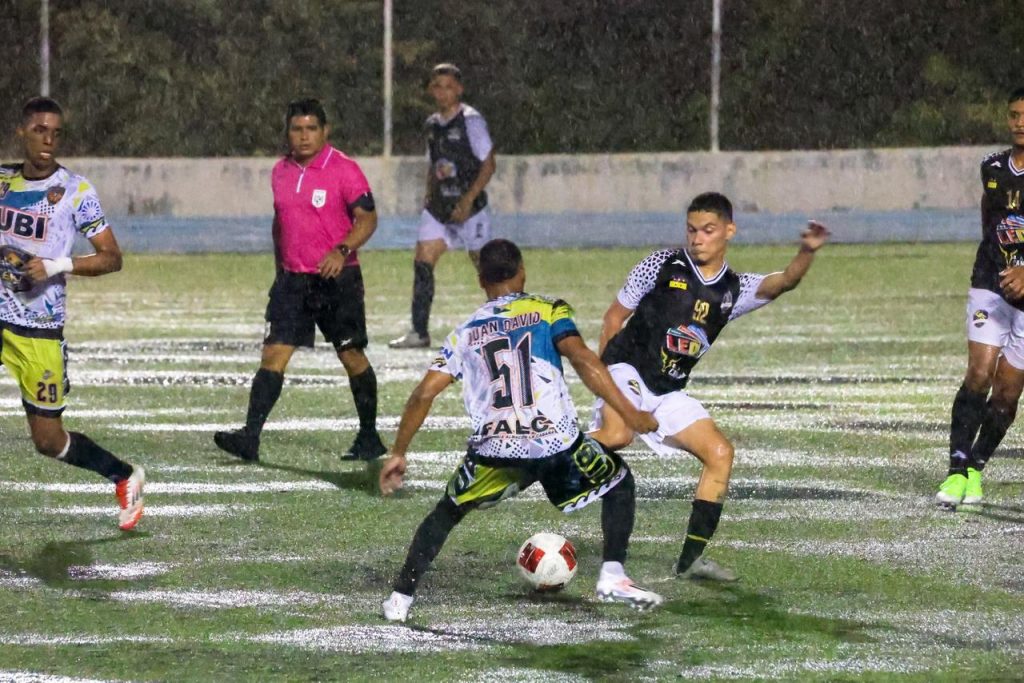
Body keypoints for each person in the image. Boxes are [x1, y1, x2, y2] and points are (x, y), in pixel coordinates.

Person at [379, 239, 663, 622]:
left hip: (495, 449)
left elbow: (423, 394)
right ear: (522, 271)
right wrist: (630, 412)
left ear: (481, 281)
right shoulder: (548, 310)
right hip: (555, 444)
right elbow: (583, 359)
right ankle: (613, 574)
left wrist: (399, 452)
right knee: (619, 482)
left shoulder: (465, 333)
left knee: (446, 513)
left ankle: (400, 599)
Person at [591, 192, 828, 582]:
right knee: (617, 436)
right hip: (626, 369)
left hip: (668, 390)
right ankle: (546, 454)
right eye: (692, 230)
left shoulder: (733, 290)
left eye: (707, 230)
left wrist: (806, 251)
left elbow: (783, 282)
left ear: (729, 231)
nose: (697, 238)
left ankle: (691, 561)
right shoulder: (660, 264)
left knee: (720, 453)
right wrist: (604, 382)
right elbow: (614, 317)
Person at [0, 96, 144, 530]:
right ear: (21, 132)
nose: (48, 140)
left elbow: (112, 257)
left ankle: (123, 474)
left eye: (56, 133)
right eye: (39, 130)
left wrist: (56, 265)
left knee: (48, 441)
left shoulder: (75, 191)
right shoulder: (3, 181)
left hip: (38, 329)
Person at [214, 99, 386, 462]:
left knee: (351, 355)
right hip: (293, 281)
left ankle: (369, 436)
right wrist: (280, 267)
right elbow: (281, 223)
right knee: (273, 353)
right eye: (297, 129)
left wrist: (341, 250)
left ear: (325, 131)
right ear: (288, 132)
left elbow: (368, 220)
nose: (304, 136)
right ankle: (250, 437)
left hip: (336, 281)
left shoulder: (344, 169)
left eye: (311, 129)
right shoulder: (281, 171)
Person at [936, 86, 1024, 508]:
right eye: (1014, 115)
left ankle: (975, 466)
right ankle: (956, 470)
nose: (1020, 123)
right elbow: (990, 219)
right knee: (979, 372)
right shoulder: (992, 167)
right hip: (991, 282)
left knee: (1007, 393)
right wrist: (1000, 261)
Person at [389, 63, 496, 349]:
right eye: (437, 86)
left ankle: (507, 325)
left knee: (488, 268)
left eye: (449, 87)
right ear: (431, 90)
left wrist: (468, 200)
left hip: (470, 208)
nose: (443, 92)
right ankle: (419, 332)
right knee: (423, 262)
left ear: (459, 89)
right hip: (439, 208)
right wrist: (429, 194)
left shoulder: (471, 121)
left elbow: (488, 164)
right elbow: (434, 163)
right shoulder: (432, 125)